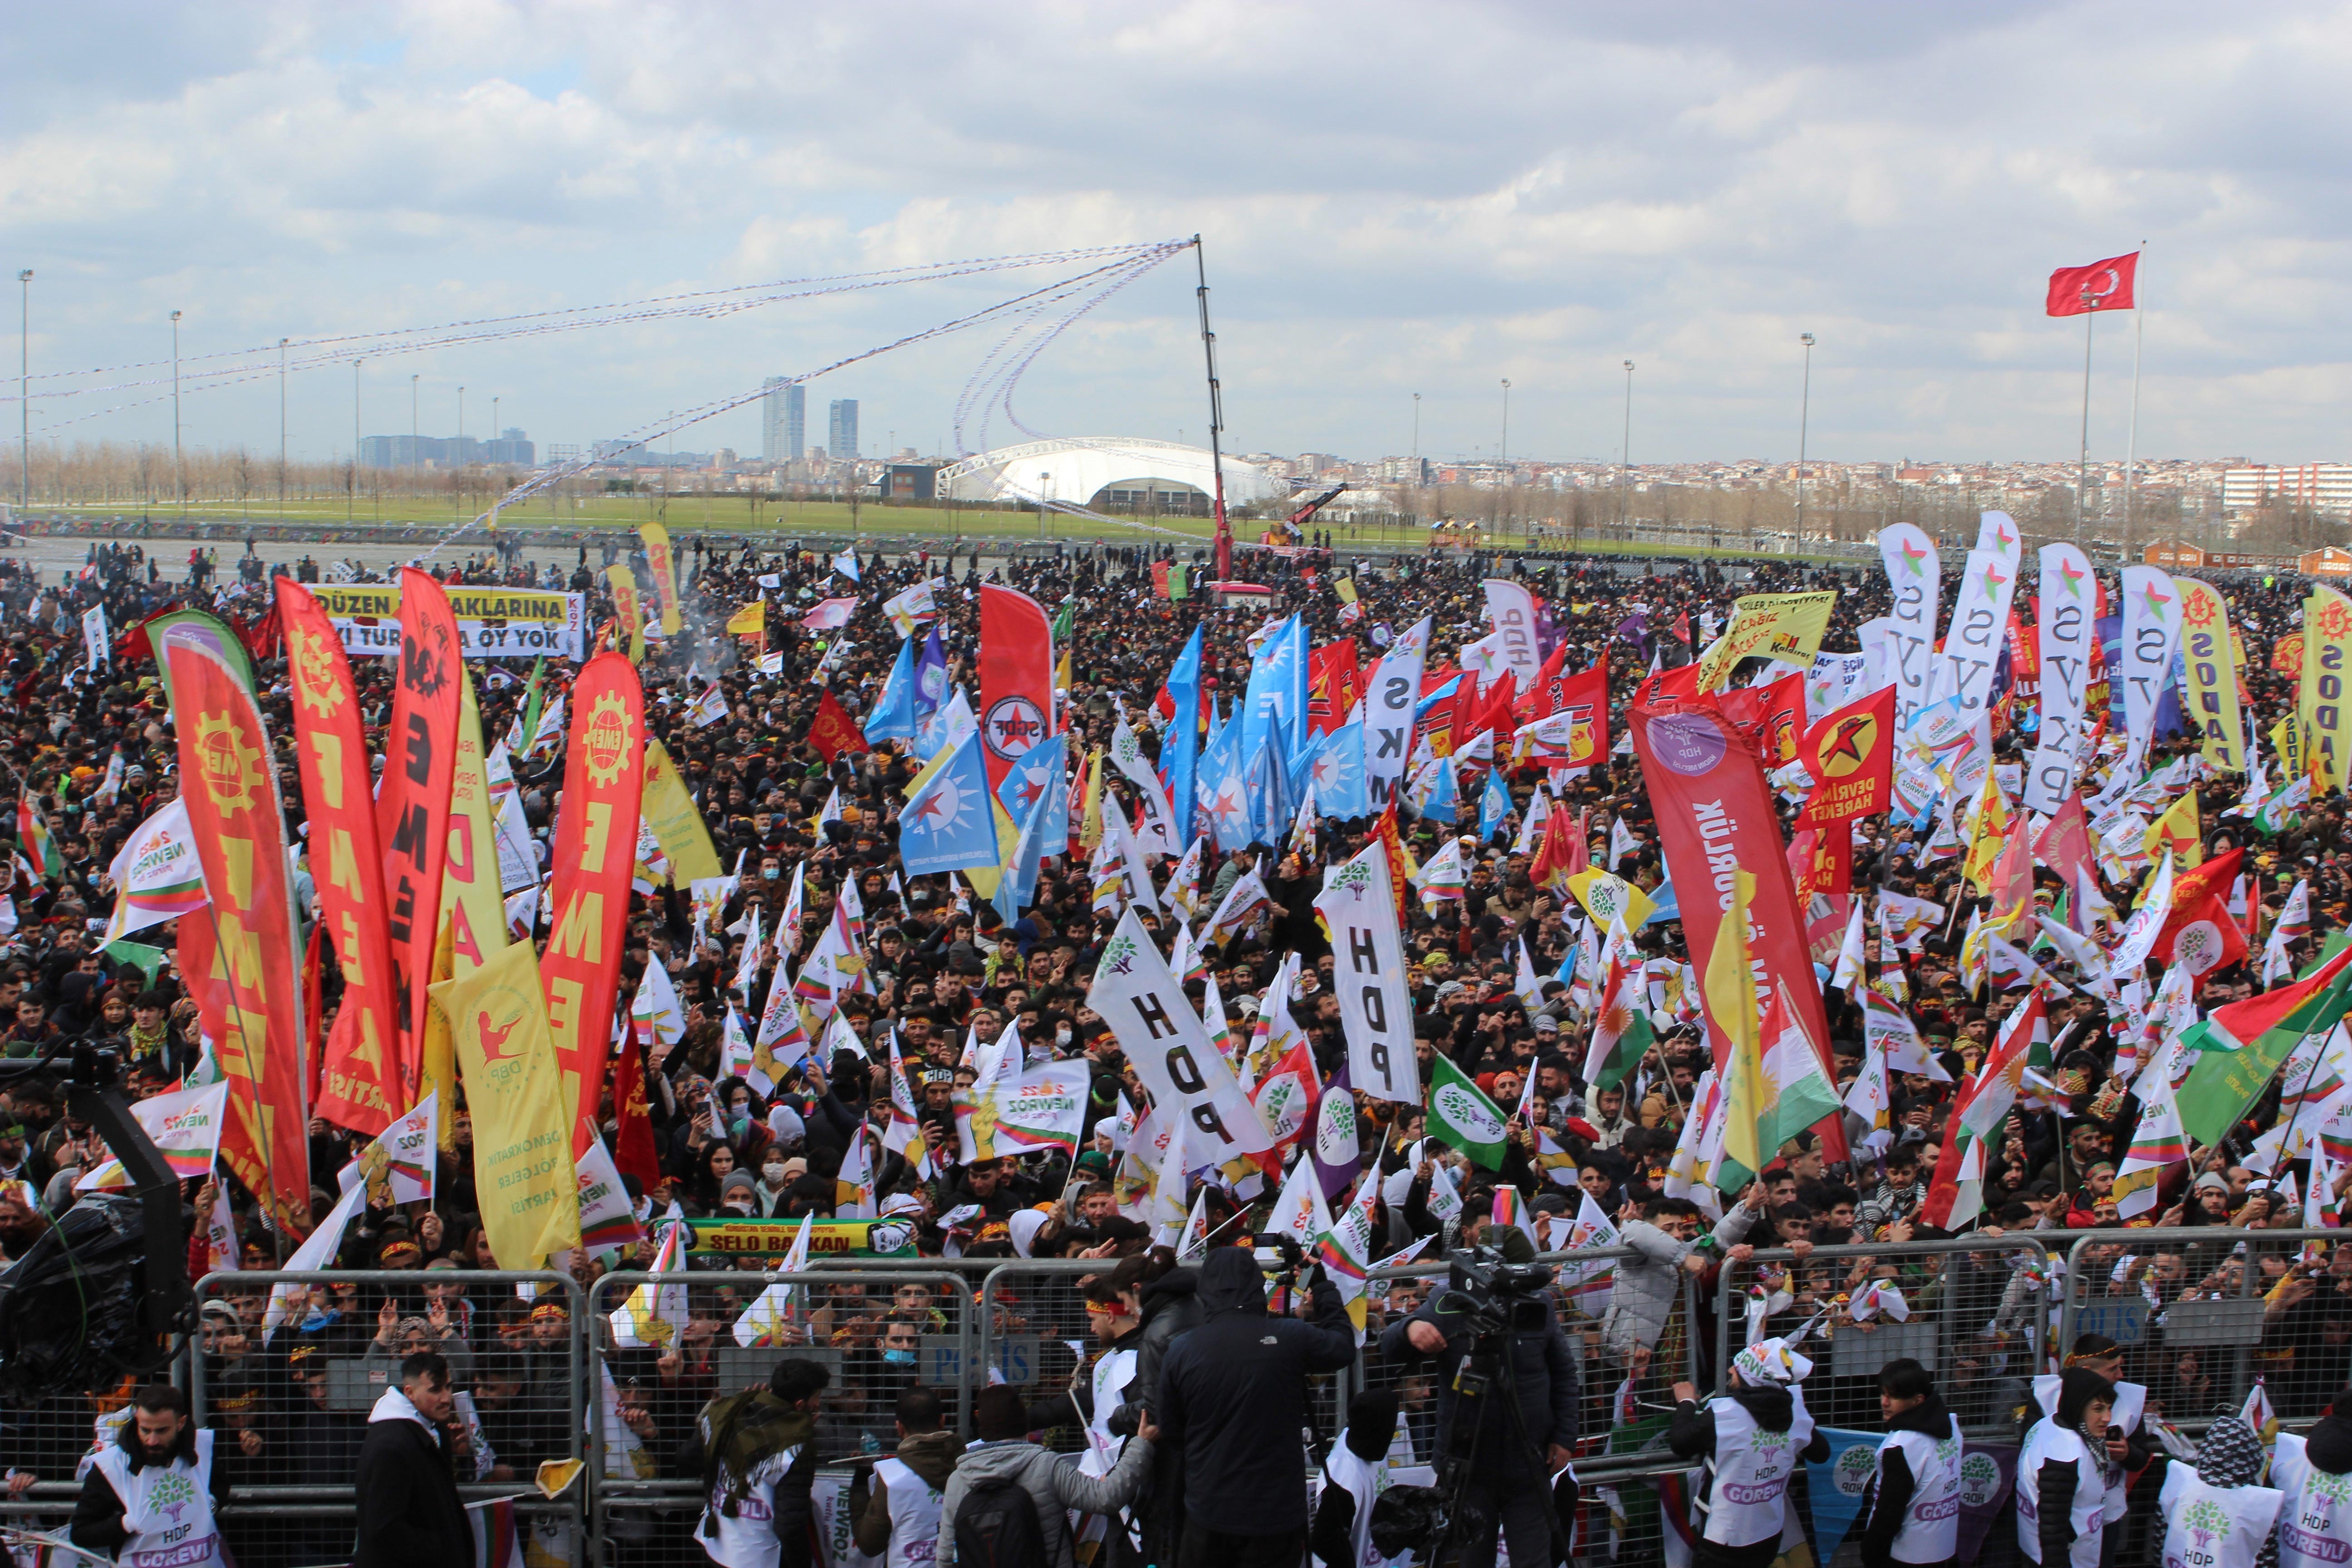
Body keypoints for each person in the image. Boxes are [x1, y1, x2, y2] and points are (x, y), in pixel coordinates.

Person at [1376, 1230, 1578, 1568]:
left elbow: (1565, 1374)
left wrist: (1564, 1437)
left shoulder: (1539, 1304)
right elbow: (1389, 1349)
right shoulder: (1452, 1300)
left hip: (1529, 1464)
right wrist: (1410, 1327)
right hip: (1468, 1469)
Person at [1155, 1246, 1358, 1568]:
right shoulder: (1289, 1336)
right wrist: (1321, 1286)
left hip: (1210, 1509)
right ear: (1255, 1284)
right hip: (1274, 1515)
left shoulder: (1182, 1350)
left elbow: (1171, 1430)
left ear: (1205, 1287)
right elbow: (1343, 1346)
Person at [936, 1384, 1158, 1568]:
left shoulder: (959, 1480)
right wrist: (1141, 1444)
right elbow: (1106, 1498)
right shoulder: (1046, 1465)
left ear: (979, 1421)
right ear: (1023, 1420)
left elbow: (945, 1558)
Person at [1667, 1338, 1829, 1568]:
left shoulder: (1724, 1415)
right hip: (1769, 1535)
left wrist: (1685, 1402)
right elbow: (1821, 1453)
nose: (1730, 1370)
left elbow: (1680, 1443)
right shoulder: (1796, 1411)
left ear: (1749, 1376)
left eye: (1737, 1368)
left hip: (1724, 1538)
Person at [70, 1383, 231, 1566]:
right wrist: (125, 1524)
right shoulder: (110, 1467)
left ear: (181, 1423)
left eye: (162, 1431)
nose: (152, 1441)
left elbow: (221, 1485)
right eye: (145, 1430)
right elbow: (81, 1533)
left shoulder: (202, 1447)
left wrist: (210, 1504)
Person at [695, 1357, 828, 1568]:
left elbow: (687, 1459)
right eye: (817, 1397)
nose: (818, 1404)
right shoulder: (798, 1444)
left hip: (718, 1547)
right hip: (760, 1557)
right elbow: (790, 1525)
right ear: (800, 1404)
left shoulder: (729, 1413)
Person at [352, 1350, 473, 1568]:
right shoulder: (393, 1446)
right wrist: (442, 1548)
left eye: (448, 1386)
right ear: (410, 1392)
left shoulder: (424, 1430)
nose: (446, 1398)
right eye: (435, 1390)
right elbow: (385, 1528)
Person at [1854, 1358, 1960, 1568]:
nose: (1884, 1402)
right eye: (1883, 1394)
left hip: (1907, 1555)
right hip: (1945, 1550)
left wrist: (1871, 1555)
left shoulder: (1901, 1446)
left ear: (1918, 1400)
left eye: (1894, 1397)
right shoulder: (1952, 1427)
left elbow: (1888, 1514)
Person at [2018, 1366, 2123, 1568]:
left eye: (2110, 1408)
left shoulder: (2049, 1424)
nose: (2108, 1418)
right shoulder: (2064, 1456)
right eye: (2098, 1409)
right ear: (2078, 1406)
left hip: (2048, 1549)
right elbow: (2053, 1532)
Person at [852, 1387, 957, 1568]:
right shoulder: (969, 1465)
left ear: (899, 1427)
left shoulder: (891, 1476)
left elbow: (870, 1544)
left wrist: (860, 1487)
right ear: (942, 1421)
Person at [2159, 1415, 2283, 1568]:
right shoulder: (2260, 1503)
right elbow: (2267, 1560)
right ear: (2251, 1455)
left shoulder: (2180, 1482)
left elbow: (2161, 1539)